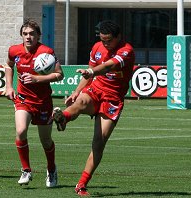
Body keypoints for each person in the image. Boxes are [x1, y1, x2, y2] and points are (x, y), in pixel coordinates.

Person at [52, 20, 135, 196]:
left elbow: (108, 66)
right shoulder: (97, 47)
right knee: (80, 102)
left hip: (112, 99)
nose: (105, 43)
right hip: (95, 89)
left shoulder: (126, 50)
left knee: (99, 143)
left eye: (108, 40)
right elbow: (89, 73)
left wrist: (91, 72)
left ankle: (81, 184)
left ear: (118, 37)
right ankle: (63, 118)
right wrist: (76, 91)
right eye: (102, 40)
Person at [4, 18, 64, 187]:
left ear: (38, 36)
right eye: (25, 34)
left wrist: (38, 79)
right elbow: (8, 66)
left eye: (32, 34)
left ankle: (51, 169)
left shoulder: (46, 52)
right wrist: (9, 86)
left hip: (43, 102)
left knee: (45, 140)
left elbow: (60, 74)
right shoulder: (14, 51)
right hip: (23, 100)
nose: (28, 37)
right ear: (21, 35)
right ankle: (26, 170)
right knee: (21, 130)